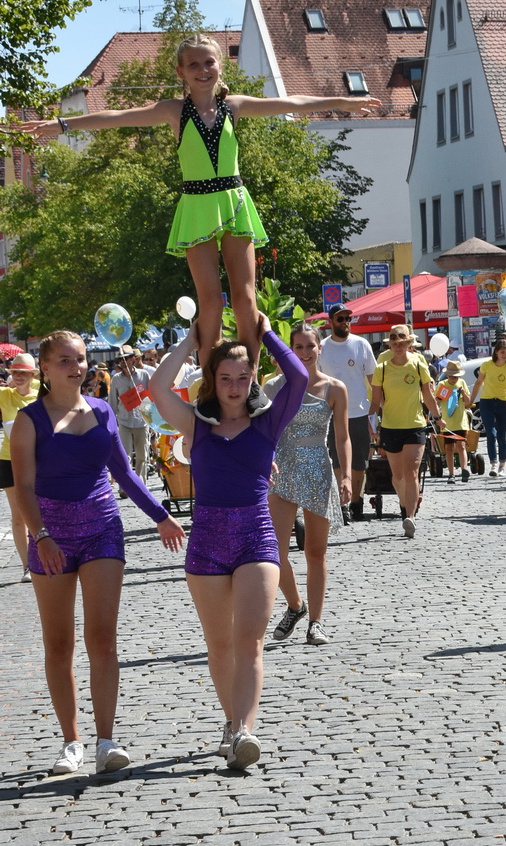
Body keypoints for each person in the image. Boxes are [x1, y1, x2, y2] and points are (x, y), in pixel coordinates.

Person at [18, 35, 380, 368]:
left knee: (245, 298)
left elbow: (292, 102)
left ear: (220, 66)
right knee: (210, 301)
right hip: (196, 204)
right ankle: (212, 376)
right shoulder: (172, 110)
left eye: (209, 62)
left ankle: (248, 375)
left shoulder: (234, 106)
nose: (203, 70)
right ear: (181, 72)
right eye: (194, 65)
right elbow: (116, 118)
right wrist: (63, 124)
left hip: (234, 202)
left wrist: (344, 102)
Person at [9, 331, 185, 775]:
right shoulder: (29, 421)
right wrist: (41, 535)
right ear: (45, 369)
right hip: (52, 535)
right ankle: (71, 742)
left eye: (81, 358)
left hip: (103, 528)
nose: (76, 366)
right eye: (65, 360)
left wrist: (161, 515)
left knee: (103, 639)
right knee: (59, 644)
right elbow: (23, 487)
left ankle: (107, 740)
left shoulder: (104, 409)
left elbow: (124, 474)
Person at [148, 315, 308, 768]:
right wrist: (191, 340)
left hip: (257, 537)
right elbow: (159, 390)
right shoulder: (197, 427)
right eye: (225, 378)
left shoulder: (267, 424)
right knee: (218, 645)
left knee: (250, 642)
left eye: (243, 378)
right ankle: (231, 721)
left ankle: (243, 731)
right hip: (207, 543)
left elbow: (297, 377)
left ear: (253, 380)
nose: (235, 386)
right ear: (212, 382)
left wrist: (265, 334)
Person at [267, 323, 351, 647]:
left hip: (318, 469)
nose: (304, 353)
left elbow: (342, 436)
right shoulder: (274, 387)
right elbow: (262, 430)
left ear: (319, 349)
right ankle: (295, 605)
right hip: (283, 468)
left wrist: (346, 476)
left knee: (315, 553)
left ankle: (315, 622)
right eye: (297, 347)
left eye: (309, 346)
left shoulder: (334, 388)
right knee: (275, 550)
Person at [368, 325, 442, 538]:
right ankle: (405, 505)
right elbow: (375, 402)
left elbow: (428, 395)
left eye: (402, 343)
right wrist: (371, 423)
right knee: (398, 476)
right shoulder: (381, 368)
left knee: (411, 472)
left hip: (415, 425)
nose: (398, 347)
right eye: (394, 343)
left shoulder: (419, 365)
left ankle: (410, 516)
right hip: (391, 426)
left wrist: (437, 417)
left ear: (409, 344)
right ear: (389, 345)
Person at [319, 305, 376, 520]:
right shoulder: (322, 347)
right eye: (340, 318)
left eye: (348, 318)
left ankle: (356, 500)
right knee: (336, 458)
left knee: (359, 460)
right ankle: (343, 503)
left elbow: (373, 380)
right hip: (330, 413)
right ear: (331, 321)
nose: (345, 322)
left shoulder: (361, 345)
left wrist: (375, 410)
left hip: (358, 411)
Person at [0, 352, 39, 580]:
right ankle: (28, 566)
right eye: (15, 372)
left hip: (38, 461)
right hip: (8, 460)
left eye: (23, 373)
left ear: (32, 374)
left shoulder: (42, 396)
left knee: (43, 511)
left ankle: (46, 556)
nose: (19, 376)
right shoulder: (4, 395)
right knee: (18, 517)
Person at [470, 340, 506, 475]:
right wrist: (471, 400)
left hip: (503, 402)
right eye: (502, 352)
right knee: (491, 433)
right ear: (496, 352)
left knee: (502, 434)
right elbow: (479, 382)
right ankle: (493, 464)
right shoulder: (487, 365)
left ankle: (502, 465)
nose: (505, 355)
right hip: (487, 402)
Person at [109, 349, 152, 481]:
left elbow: (151, 398)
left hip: (142, 421)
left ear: (133, 359)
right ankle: (126, 486)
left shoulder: (144, 375)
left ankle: (141, 485)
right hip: (124, 422)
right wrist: (112, 424)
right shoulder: (116, 379)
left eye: (125, 358)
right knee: (125, 456)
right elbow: (112, 402)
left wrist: (153, 420)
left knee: (142, 457)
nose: (122, 362)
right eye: (120, 359)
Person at [437, 359, 473, 484]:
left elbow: (468, 404)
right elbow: (437, 402)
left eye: (456, 377)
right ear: (447, 375)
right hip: (447, 423)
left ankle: (464, 470)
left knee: (461, 446)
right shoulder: (443, 385)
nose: (454, 379)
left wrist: (464, 393)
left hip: (461, 422)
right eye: (452, 377)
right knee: (449, 448)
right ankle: (451, 474)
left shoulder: (462, 383)